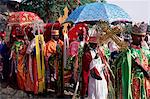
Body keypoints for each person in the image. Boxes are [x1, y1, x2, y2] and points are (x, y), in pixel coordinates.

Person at [115, 22, 150, 99]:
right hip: (131, 87)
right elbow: (117, 71)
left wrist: (140, 65)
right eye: (138, 36)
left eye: (143, 36)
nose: (141, 39)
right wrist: (128, 65)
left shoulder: (147, 53)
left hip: (144, 87)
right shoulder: (126, 53)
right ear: (132, 35)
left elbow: (148, 74)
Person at [81, 34, 108, 99]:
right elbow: (87, 68)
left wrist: (104, 66)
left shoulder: (99, 51)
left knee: (101, 91)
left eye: (96, 44)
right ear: (91, 44)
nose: (96, 45)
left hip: (101, 75)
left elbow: (103, 61)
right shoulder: (87, 54)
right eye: (95, 44)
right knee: (94, 92)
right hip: (93, 77)